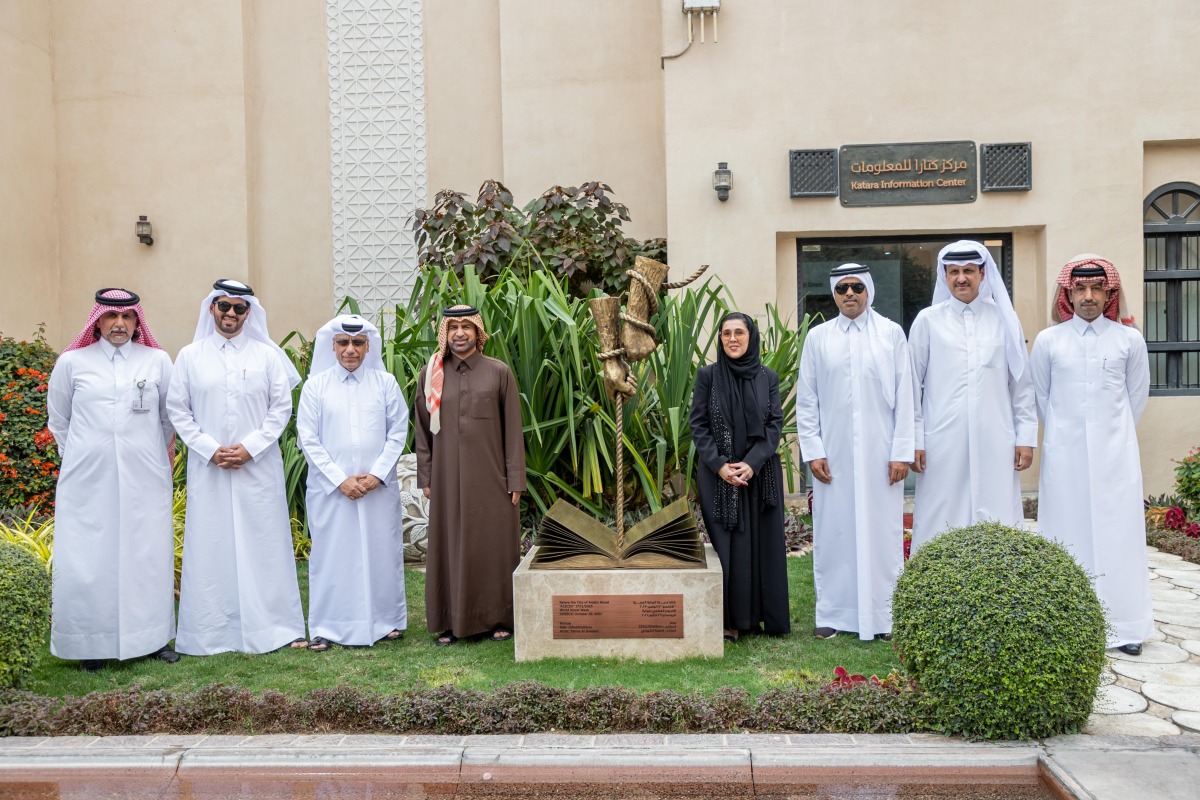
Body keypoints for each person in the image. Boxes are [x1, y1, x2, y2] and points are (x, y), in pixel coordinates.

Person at [166, 279, 306, 655]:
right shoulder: (190, 356)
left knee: (265, 543)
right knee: (211, 544)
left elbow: (281, 408)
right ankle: (210, 631)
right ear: (212, 308)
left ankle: (275, 627)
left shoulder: (267, 356)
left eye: (239, 308)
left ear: (248, 313)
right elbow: (178, 408)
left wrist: (250, 448)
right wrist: (210, 449)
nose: (230, 313)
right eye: (224, 306)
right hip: (208, 468)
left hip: (257, 467)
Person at [46, 289, 178, 672]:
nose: (119, 324)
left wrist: (152, 458)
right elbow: (59, 420)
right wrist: (83, 456)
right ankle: (91, 643)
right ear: (98, 320)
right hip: (88, 479)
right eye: (111, 316)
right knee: (90, 555)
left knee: (146, 553)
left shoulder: (157, 360)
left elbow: (168, 419)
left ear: (137, 322)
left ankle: (152, 639)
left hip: (145, 475)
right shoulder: (73, 362)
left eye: (127, 317)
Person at [1031, 255, 1152, 656]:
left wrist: (1110, 437)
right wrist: (1068, 435)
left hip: (1116, 457)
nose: (1088, 296)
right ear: (1067, 294)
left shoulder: (1129, 340)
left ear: (1108, 293)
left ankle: (1126, 626)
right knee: (1066, 533)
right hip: (1063, 457)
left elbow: (1136, 397)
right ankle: (1068, 626)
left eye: (1096, 288)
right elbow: (1042, 398)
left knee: (1120, 536)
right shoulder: (1049, 341)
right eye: (1080, 289)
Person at [796, 265, 914, 641]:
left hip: (882, 456)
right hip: (833, 457)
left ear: (868, 291)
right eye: (843, 288)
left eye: (857, 287)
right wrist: (813, 450)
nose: (850, 294)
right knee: (834, 532)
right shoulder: (818, 338)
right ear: (834, 293)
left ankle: (885, 617)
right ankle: (833, 614)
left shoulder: (891, 334)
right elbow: (807, 399)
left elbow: (906, 397)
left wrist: (901, 452)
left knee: (884, 534)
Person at [909, 241, 1037, 552]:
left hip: (996, 438)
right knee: (941, 514)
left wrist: (1026, 437)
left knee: (997, 513)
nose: (961, 278)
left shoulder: (1003, 320)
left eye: (968, 271)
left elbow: (1021, 383)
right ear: (945, 276)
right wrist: (914, 439)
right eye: (954, 272)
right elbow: (910, 384)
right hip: (942, 440)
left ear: (982, 274)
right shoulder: (928, 320)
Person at [413, 305, 526, 646]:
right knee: (448, 546)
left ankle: (498, 618)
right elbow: (422, 430)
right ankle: (450, 621)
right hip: (445, 478)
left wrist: (515, 479)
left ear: (478, 332)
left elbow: (512, 429)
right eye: (453, 327)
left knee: (493, 546)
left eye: (467, 326)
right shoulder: (431, 373)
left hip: (492, 478)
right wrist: (426, 477)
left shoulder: (498, 372)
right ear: (445, 333)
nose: (460, 333)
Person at [297, 314, 408, 651]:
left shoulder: (385, 383)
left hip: (377, 490)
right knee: (332, 555)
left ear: (367, 346)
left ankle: (386, 621)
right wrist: (340, 480)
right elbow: (308, 439)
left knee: (380, 553)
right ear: (332, 346)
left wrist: (376, 475)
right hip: (331, 491)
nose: (350, 349)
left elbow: (398, 432)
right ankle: (327, 626)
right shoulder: (316, 386)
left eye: (357, 343)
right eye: (343, 342)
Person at [689, 312, 790, 642]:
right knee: (728, 547)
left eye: (739, 333)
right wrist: (720, 465)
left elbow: (774, 424)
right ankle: (730, 621)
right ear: (720, 339)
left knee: (762, 546)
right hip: (718, 476)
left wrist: (752, 463)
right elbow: (698, 425)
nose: (732, 339)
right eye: (726, 333)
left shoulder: (767, 377)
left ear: (751, 337)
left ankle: (758, 617)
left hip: (760, 475)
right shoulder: (708, 376)